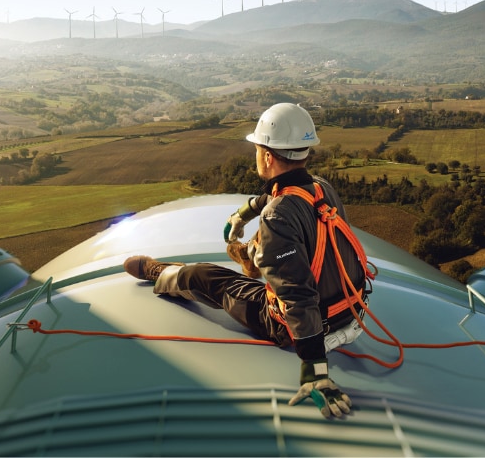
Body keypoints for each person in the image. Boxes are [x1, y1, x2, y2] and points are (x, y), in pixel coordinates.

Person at [123, 103, 370, 420]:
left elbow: (298, 298)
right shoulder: (321, 188)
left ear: (267, 156)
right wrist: (243, 214)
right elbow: (276, 197)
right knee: (270, 244)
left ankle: (162, 273)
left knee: (206, 277)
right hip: (352, 311)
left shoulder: (278, 215)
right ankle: (252, 255)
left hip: (308, 328)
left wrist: (316, 373)